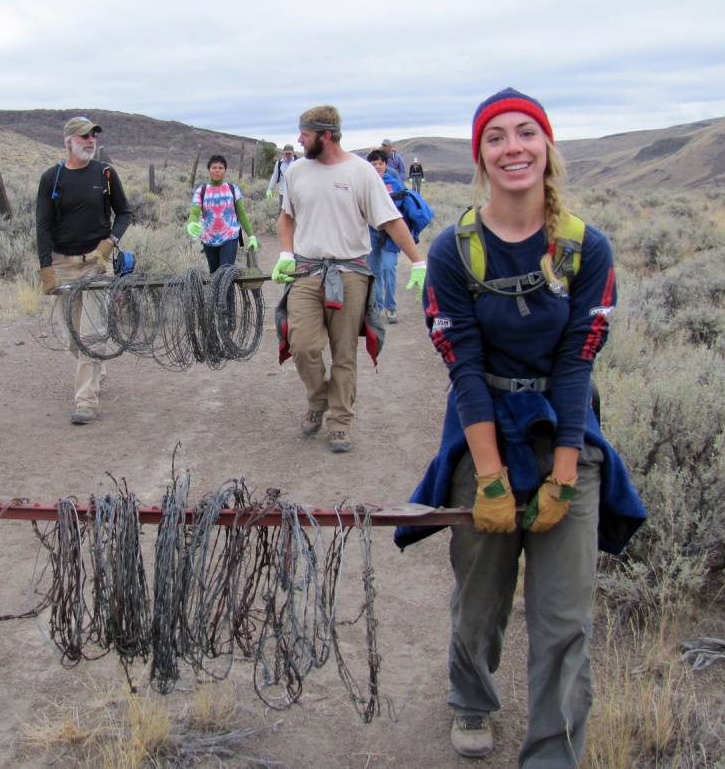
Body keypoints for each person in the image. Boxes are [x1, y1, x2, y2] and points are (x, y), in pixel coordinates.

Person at [395, 89, 645, 765]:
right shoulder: (453, 251)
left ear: (547, 146)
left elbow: (576, 365)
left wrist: (565, 474)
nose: (514, 147)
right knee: (479, 601)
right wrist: (492, 478)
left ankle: (552, 755)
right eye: (497, 136)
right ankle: (472, 701)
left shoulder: (586, 249)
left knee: (564, 623)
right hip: (483, 432)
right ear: (480, 155)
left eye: (526, 133)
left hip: (565, 434)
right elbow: (465, 368)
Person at [271, 106, 426, 454]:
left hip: (351, 273)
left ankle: (339, 422)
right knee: (302, 345)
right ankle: (319, 398)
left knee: (344, 353)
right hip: (307, 271)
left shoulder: (361, 173)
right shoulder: (296, 172)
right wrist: (285, 252)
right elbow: (286, 219)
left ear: (325, 136)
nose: (299, 139)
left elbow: (390, 220)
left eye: (305, 134)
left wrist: (418, 261)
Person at [36, 116, 134, 425]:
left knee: (92, 334)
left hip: (96, 264)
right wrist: (45, 270)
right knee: (73, 339)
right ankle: (97, 369)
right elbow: (43, 226)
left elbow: (124, 212)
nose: (90, 140)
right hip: (62, 264)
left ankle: (86, 402)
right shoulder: (52, 178)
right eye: (83, 136)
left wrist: (108, 243)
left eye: (93, 135)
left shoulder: (105, 173)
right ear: (68, 141)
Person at [186, 154, 258, 273]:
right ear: (209, 170)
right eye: (214, 167)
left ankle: (228, 292)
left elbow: (241, 214)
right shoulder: (201, 191)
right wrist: (191, 223)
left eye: (221, 168)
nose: (217, 170)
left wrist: (251, 236)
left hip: (230, 237)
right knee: (214, 275)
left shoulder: (233, 189)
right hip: (209, 239)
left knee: (226, 275)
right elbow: (195, 211)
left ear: (225, 170)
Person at [365, 148, 404, 324]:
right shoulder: (365, 183)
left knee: (389, 268)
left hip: (390, 235)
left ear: (386, 165)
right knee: (374, 271)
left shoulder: (394, 183)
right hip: (371, 233)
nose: (377, 166)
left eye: (380, 163)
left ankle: (391, 307)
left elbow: (403, 203)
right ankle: (377, 306)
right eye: (374, 164)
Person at [266, 143, 297, 209]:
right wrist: (270, 189)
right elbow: (275, 176)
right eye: (286, 153)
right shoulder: (280, 163)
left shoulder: (297, 163)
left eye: (289, 153)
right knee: (282, 213)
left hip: (295, 194)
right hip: (283, 193)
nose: (288, 155)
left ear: (293, 153)